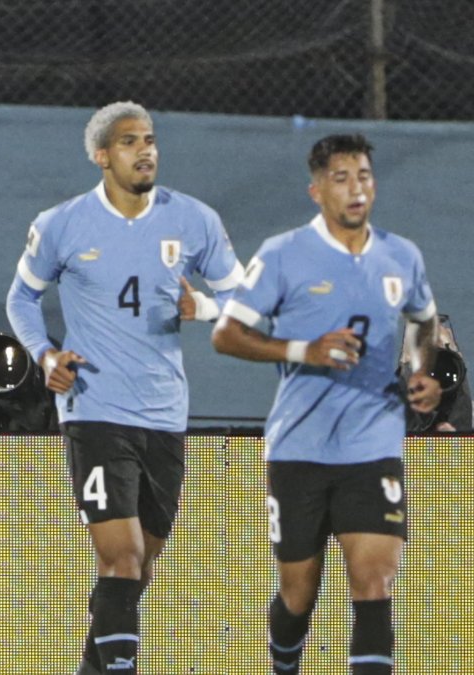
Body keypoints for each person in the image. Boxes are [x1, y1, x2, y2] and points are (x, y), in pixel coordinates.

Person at [6, 101, 244, 675]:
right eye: (131, 141)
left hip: (165, 415)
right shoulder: (62, 223)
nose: (147, 150)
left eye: (151, 140)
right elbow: (21, 298)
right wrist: (46, 355)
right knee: (121, 557)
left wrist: (205, 306)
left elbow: (249, 297)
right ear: (102, 155)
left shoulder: (194, 220)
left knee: (140, 567)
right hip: (93, 409)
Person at [212, 133, 440, 675]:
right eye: (341, 179)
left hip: (374, 441)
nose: (356, 189)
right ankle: (284, 662)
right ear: (316, 191)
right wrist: (303, 350)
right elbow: (226, 334)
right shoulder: (284, 254)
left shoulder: (400, 255)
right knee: (298, 595)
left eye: (363, 176)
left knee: (374, 577)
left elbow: (424, 320)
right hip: (300, 447)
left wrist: (421, 368)